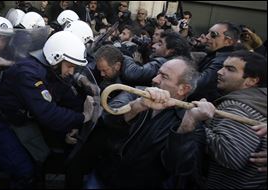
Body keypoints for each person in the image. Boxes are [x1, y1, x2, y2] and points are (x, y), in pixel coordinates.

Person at [0, 31, 96, 188]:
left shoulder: (54, 71)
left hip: (22, 121)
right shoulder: (28, 73)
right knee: (24, 172)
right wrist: (82, 117)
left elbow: (68, 98)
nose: (71, 72)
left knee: (40, 161)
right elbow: (48, 113)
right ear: (56, 58)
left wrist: (74, 124)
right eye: (70, 66)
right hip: (1, 123)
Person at [84, 56, 202, 188]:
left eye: (164, 77)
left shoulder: (189, 122)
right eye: (158, 73)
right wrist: (137, 106)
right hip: (103, 176)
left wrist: (185, 128)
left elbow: (178, 166)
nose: (154, 79)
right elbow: (106, 119)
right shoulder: (138, 93)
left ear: (183, 89)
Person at [163, 50, 267, 189]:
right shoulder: (257, 100)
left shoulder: (238, 106)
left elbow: (231, 156)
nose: (219, 71)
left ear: (252, 80)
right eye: (223, 66)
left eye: (230, 69)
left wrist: (196, 121)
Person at [188, 21, 241, 102]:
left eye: (213, 35)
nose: (207, 37)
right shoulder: (215, 54)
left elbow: (197, 84)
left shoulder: (223, 61)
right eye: (208, 33)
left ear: (228, 41)